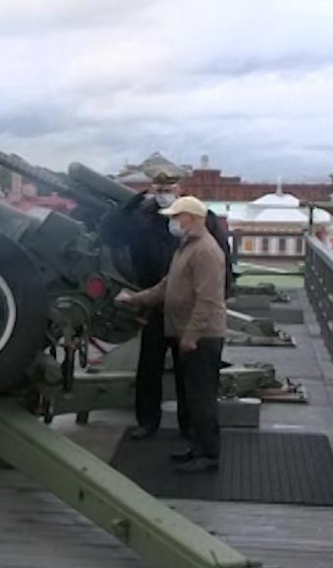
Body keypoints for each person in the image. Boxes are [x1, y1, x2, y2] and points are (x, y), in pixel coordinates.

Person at [116, 195, 227, 473]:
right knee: (192, 394)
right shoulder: (186, 248)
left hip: (201, 336)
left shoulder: (205, 251)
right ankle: (197, 448)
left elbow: (209, 299)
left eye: (178, 217)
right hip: (182, 330)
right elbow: (166, 286)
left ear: (192, 218)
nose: (173, 222)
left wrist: (191, 335)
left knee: (201, 397)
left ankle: (209, 454)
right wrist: (136, 299)